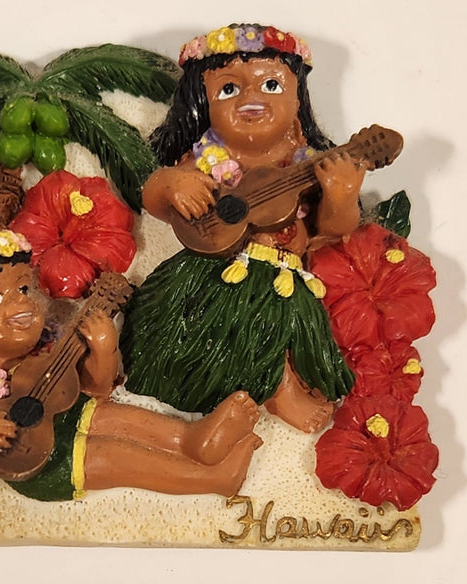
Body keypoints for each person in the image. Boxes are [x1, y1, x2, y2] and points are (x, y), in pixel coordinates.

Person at [121, 24, 365, 433]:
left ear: (298, 101)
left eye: (271, 85)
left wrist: (341, 196)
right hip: (210, 271)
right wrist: (173, 185)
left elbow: (331, 230)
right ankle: (258, 388)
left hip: (284, 275)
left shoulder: (309, 165)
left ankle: (280, 383)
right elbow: (154, 197)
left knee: (274, 312)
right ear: (203, 104)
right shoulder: (205, 158)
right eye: (229, 89)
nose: (251, 98)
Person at [0, 229, 262, 500]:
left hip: (78, 412)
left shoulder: (44, 349)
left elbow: (95, 389)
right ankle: (214, 480)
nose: (21, 303)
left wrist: (103, 348)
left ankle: (191, 440)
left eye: (22, 289)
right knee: (117, 458)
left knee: (123, 419)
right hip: (40, 457)